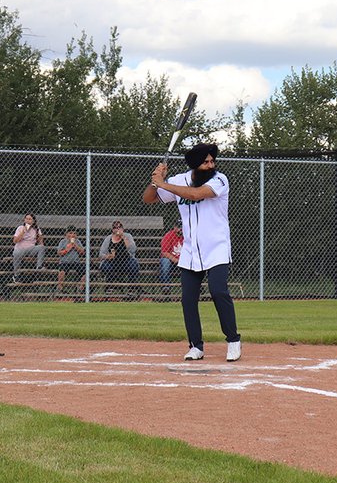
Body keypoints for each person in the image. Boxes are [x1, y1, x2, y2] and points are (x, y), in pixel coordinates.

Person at [142, 142, 241, 362]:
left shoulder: (220, 180)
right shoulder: (179, 181)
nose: (211, 164)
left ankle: (233, 340)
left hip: (217, 247)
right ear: (195, 164)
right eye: (206, 162)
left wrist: (165, 184)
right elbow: (149, 198)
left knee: (218, 292)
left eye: (212, 161)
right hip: (190, 250)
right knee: (188, 300)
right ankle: (196, 346)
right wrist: (156, 180)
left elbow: (196, 195)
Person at [98, 220, 140, 289]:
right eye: (115, 227)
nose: (117, 229)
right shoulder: (108, 238)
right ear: (112, 230)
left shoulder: (128, 236)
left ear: (122, 229)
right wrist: (108, 256)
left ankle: (131, 288)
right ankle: (110, 286)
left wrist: (123, 237)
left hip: (126, 261)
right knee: (105, 266)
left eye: (119, 227)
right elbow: (100, 254)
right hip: (112, 262)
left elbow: (133, 249)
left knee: (134, 264)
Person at [11, 213, 45, 280]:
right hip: (20, 249)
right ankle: (16, 275)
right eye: (26, 219)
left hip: (31, 249)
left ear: (33, 221)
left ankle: (39, 267)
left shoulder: (36, 229)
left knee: (41, 247)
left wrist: (39, 236)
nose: (27, 221)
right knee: (16, 254)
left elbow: (41, 241)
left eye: (30, 219)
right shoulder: (20, 228)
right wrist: (23, 232)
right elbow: (15, 241)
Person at [55, 226, 86, 294]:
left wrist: (75, 246)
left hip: (76, 262)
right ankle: (60, 288)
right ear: (66, 234)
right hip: (65, 262)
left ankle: (80, 288)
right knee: (62, 272)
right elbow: (59, 253)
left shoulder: (77, 241)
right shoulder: (63, 241)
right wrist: (66, 250)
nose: (72, 235)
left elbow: (82, 252)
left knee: (85, 271)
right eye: (70, 233)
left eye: (74, 233)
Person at [159, 220, 183, 293]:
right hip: (172, 261)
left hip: (185, 261)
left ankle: (196, 287)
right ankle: (166, 287)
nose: (181, 229)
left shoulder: (188, 236)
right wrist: (176, 260)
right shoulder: (168, 235)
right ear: (174, 227)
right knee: (165, 261)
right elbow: (164, 252)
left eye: (182, 227)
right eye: (179, 227)